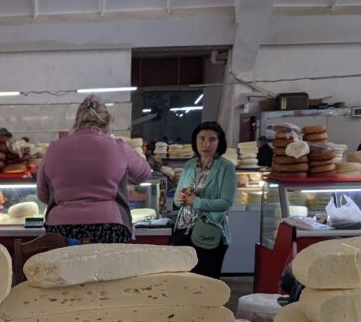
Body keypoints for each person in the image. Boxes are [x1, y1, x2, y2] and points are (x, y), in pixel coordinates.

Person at [36, 95, 151, 244]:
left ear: (76, 121)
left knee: (63, 267)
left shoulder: (53, 148)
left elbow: (43, 194)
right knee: (110, 268)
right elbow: (144, 173)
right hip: (110, 227)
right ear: (108, 122)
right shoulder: (119, 147)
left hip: (61, 230)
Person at [170, 121, 236, 279]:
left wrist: (197, 202)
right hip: (182, 231)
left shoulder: (225, 167)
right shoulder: (189, 165)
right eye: (202, 138)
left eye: (212, 139)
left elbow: (226, 202)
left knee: (205, 284)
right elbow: (178, 200)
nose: (206, 144)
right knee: (183, 282)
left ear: (219, 142)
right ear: (195, 141)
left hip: (207, 232)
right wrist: (181, 198)